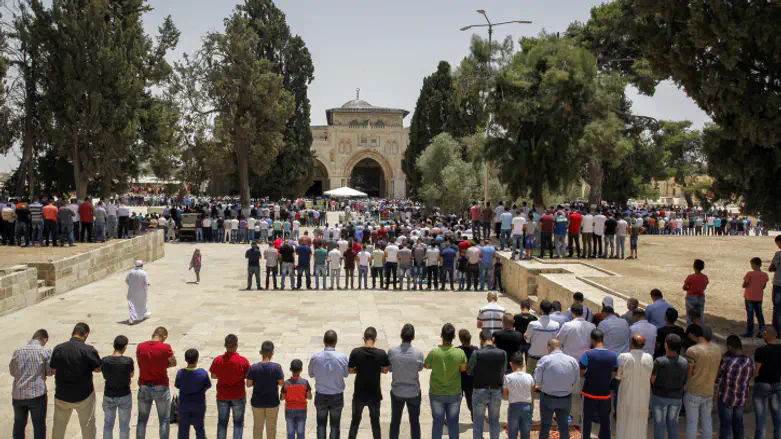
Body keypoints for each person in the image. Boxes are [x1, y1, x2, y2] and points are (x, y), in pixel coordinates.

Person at [50, 322, 102, 439]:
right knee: (87, 426)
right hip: (84, 395)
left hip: (62, 394)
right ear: (86, 334)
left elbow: (53, 369)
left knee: (59, 426)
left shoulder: (59, 348)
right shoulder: (88, 350)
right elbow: (98, 368)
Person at [425, 323, 468, 439]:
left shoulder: (434, 352)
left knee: (437, 424)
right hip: (454, 393)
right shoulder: (459, 353)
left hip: (437, 393)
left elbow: (427, 366)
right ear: (454, 337)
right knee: (453, 424)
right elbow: (463, 368)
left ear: (441, 335)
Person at [556, 302, 595, 428]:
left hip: (568, 363)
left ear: (572, 313)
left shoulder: (568, 325)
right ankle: (578, 417)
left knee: (567, 391)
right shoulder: (592, 326)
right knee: (580, 391)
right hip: (585, 363)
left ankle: (567, 417)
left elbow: (558, 340)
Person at [347, 327, 390, 439]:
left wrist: (360, 370)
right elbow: (385, 370)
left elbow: (351, 370)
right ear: (375, 339)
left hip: (359, 394)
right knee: (375, 423)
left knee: (355, 422)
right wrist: (376, 369)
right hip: (374, 394)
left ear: (364, 338)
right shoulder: (381, 354)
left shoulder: (355, 352)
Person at [10, 329, 53, 439]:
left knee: (19, 425)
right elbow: (49, 372)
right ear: (44, 339)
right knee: (39, 426)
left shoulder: (18, 351)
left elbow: (12, 371)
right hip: (37, 395)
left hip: (18, 394)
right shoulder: (45, 351)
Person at [534, 338, 580, 439]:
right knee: (564, 426)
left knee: (545, 426)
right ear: (561, 347)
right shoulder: (572, 360)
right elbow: (576, 381)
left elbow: (537, 379)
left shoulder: (544, 360)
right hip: (565, 398)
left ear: (549, 347)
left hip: (548, 398)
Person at [136, 326, 176, 439]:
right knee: (164, 419)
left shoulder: (140, 346)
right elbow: (173, 362)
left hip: (144, 386)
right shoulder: (165, 347)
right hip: (160, 385)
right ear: (164, 337)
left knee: (142, 419)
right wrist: (164, 364)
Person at [309, 330, 349, 439]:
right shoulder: (342, 357)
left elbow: (311, 374)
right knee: (335, 426)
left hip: (321, 394)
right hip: (336, 395)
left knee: (321, 425)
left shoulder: (315, 357)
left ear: (323, 341)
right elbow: (346, 374)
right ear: (335, 342)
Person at [683, 324, 722, 439]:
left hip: (693, 390)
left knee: (692, 423)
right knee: (707, 421)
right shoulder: (717, 349)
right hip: (709, 390)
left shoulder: (692, 351)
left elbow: (689, 373)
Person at [468, 329, 506, 439]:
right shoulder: (502, 353)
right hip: (495, 390)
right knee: (494, 422)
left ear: (481, 339)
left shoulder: (477, 353)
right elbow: (502, 371)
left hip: (480, 390)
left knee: (478, 423)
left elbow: (470, 371)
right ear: (493, 339)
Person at [210, 334, 250, 439]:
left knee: (222, 423)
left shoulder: (218, 360)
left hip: (223, 395)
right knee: (238, 423)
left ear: (225, 345)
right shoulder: (243, 361)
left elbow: (213, 376)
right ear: (236, 345)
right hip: (238, 395)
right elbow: (248, 375)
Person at [579, 329, 618, 439]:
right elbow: (614, 373)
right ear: (603, 339)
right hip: (605, 393)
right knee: (605, 420)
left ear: (592, 340)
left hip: (588, 393)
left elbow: (581, 372)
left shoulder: (587, 354)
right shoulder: (613, 355)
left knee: (587, 420)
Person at [388, 324, 425, 439]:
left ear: (401, 335)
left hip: (397, 391)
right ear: (413, 337)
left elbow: (389, 368)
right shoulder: (418, 354)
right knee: (414, 422)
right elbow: (420, 368)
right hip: (413, 392)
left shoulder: (392, 352)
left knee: (395, 421)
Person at [615, 335, 654, 439]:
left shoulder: (623, 357)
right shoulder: (649, 358)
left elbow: (618, 376)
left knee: (624, 421)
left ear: (631, 343)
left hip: (627, 395)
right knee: (640, 424)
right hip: (643, 397)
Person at [651, 334, 688, 439]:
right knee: (673, 424)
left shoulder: (659, 361)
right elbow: (684, 378)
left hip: (659, 396)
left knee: (659, 425)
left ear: (666, 345)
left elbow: (653, 380)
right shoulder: (684, 361)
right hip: (676, 397)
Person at [717, 335, 754, 439]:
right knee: (738, 425)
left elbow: (719, 373)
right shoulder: (749, 361)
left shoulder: (728, 362)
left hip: (726, 398)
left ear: (729, 347)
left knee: (726, 427)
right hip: (741, 398)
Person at [247, 340, 284, 439]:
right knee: (271, 429)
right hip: (272, 402)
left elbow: (248, 384)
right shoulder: (277, 367)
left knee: (257, 428)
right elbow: (281, 383)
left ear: (261, 352)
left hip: (257, 402)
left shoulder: (253, 368)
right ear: (272, 353)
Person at [101, 335, 134, 439]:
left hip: (109, 395)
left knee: (108, 424)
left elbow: (104, 374)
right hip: (124, 395)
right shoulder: (128, 361)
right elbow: (131, 374)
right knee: (124, 426)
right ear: (124, 347)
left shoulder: (105, 360)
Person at [175, 349, 212, 439]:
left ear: (186, 359)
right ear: (197, 359)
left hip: (184, 404)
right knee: (199, 428)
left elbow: (177, 385)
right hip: (198, 404)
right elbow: (207, 386)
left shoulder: (180, 373)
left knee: (183, 429)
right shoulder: (202, 373)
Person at [753, 326, 781, 439]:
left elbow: (757, 370)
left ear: (765, 334)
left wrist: (754, 377)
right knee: (777, 417)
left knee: (761, 419)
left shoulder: (761, 350)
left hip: (762, 384)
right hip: (777, 383)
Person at [526, 300, 561, 377]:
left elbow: (527, 340)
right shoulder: (556, 325)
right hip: (548, 359)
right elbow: (555, 340)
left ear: (541, 310)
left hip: (533, 359)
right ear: (551, 310)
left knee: (531, 383)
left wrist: (526, 337)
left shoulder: (532, 324)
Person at [503, 352, 534, 439]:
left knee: (512, 433)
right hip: (527, 406)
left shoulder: (508, 377)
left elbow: (505, 393)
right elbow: (531, 392)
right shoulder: (529, 377)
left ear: (511, 364)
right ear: (524, 364)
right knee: (525, 433)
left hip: (513, 406)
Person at [281, 359, 311, 439]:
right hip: (301, 409)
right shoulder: (305, 382)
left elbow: (282, 398)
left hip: (289, 409)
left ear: (290, 369)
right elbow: (309, 397)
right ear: (301, 370)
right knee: (300, 433)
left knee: (290, 433)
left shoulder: (286, 383)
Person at [743, 256, 770, 337]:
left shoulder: (750, 274)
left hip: (749, 296)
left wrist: (744, 285)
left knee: (750, 315)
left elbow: (745, 284)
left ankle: (749, 333)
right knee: (759, 315)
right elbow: (764, 286)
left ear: (753, 265)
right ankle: (762, 333)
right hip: (759, 297)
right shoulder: (765, 275)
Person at [457, 329, 477, 418]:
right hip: (471, 380)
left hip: (460, 379)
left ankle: (453, 418)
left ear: (461, 339)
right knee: (471, 401)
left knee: (456, 402)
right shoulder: (475, 350)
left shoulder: (457, 350)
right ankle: (474, 417)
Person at [682, 259, 709, 326]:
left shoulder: (690, 277)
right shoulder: (705, 277)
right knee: (700, 314)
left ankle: (690, 330)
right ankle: (701, 329)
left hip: (691, 297)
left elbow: (684, 287)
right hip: (701, 297)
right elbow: (704, 287)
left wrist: (689, 289)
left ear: (694, 267)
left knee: (689, 314)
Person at [125, 260, 151, 325]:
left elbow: (127, 281)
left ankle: (132, 319)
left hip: (131, 292)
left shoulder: (130, 272)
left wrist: (132, 286)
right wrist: (145, 288)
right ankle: (141, 316)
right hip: (141, 293)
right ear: (142, 265)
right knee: (142, 305)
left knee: (132, 305)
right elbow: (147, 283)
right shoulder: (144, 273)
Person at [770, 235, 781, 334]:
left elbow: (772, 268)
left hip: (778, 283)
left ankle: (777, 330)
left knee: (777, 307)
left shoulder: (778, 254)